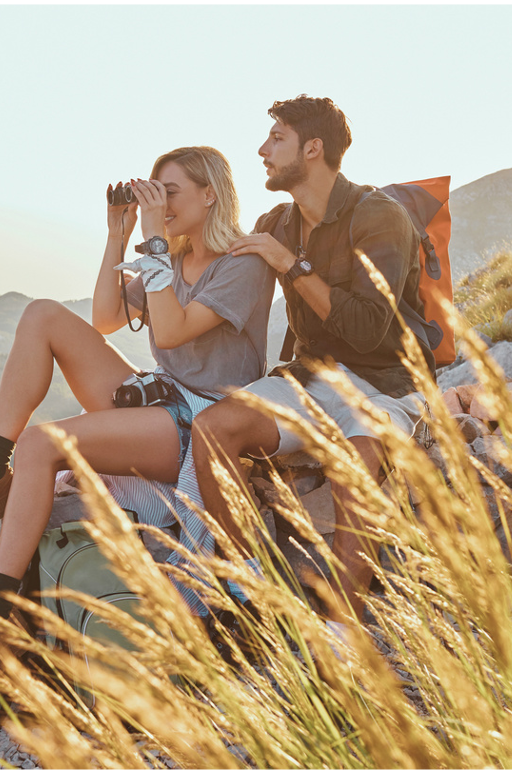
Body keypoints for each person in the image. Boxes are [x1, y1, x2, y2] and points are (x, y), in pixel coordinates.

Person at [0, 146, 276, 700]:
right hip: (159, 398)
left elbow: (170, 333)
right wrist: (118, 236)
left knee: (44, 443)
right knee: (42, 313)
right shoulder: (177, 260)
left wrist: (154, 241)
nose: (159, 205)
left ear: (210, 194)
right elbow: (106, 318)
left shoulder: (243, 263)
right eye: (154, 192)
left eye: (171, 193)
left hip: (200, 423)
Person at [186, 95, 431, 633]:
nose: (262, 150)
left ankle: (342, 632)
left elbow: (369, 328)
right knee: (211, 429)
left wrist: (289, 264)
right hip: (307, 377)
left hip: (383, 384)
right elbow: (213, 267)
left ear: (313, 148)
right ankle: (251, 597)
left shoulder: (379, 218)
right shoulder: (277, 220)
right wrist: (152, 234)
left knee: (357, 459)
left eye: (276, 138)